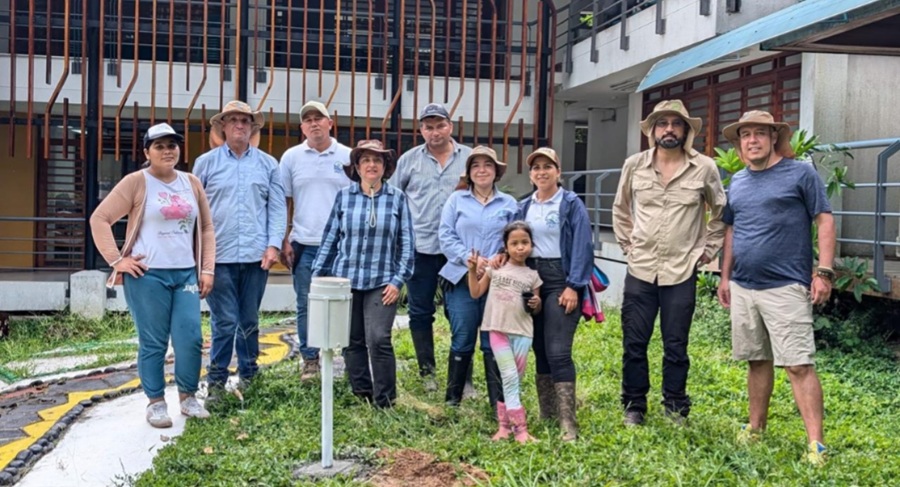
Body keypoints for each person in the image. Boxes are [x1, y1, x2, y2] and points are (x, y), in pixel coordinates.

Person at [716, 110, 835, 466]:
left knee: (798, 364)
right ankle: (756, 426)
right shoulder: (736, 181)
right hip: (744, 285)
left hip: (785, 285)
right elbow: (732, 231)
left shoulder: (801, 173)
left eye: (760, 134)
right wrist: (725, 277)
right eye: (745, 135)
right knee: (756, 360)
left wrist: (824, 271)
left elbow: (824, 219)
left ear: (773, 138)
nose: (752, 140)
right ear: (739, 145)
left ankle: (816, 444)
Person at [90, 123, 215, 427]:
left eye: (172, 145)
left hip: (185, 273)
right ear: (147, 152)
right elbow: (100, 218)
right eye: (159, 146)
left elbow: (208, 227)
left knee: (190, 337)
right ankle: (156, 402)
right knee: (154, 342)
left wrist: (207, 268)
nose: (167, 151)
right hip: (148, 276)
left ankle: (187, 397)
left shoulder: (191, 183)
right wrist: (117, 260)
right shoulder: (137, 182)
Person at [612, 99, 727, 426]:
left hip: (681, 270)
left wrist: (707, 250)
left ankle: (675, 406)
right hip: (641, 268)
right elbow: (620, 209)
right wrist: (627, 246)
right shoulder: (634, 165)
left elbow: (720, 213)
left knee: (676, 344)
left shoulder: (704, 167)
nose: (669, 129)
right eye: (662, 124)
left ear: (686, 130)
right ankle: (634, 405)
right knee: (635, 341)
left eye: (676, 124)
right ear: (652, 130)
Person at [193, 101, 287, 405]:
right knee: (225, 320)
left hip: (255, 256)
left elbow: (276, 208)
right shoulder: (205, 164)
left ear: (252, 128)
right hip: (217, 257)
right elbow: (195, 212)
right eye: (232, 120)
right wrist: (199, 256)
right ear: (223, 127)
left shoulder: (268, 165)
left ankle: (249, 375)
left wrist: (273, 245)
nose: (239, 126)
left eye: (245, 121)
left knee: (249, 319)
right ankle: (216, 380)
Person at [313, 139, 415, 409]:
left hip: (382, 283)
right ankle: (362, 394)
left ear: (385, 166)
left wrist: (398, 280)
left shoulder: (397, 199)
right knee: (351, 340)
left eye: (377, 160)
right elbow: (330, 239)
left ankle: (385, 401)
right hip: (345, 281)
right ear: (356, 167)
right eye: (366, 160)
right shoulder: (344, 197)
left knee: (379, 338)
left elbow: (407, 245)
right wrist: (317, 275)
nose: (372, 165)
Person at [389, 103, 473, 391]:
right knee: (420, 311)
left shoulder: (470, 159)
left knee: (461, 313)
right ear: (421, 130)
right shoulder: (409, 160)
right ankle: (428, 374)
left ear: (450, 126)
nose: (434, 131)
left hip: (459, 253)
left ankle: (464, 376)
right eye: (428, 126)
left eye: (439, 125)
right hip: (420, 249)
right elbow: (394, 201)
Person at [516, 147, 593, 441]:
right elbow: (514, 241)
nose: (541, 172)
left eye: (547, 166)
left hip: (561, 279)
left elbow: (583, 246)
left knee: (558, 350)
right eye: (536, 167)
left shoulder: (571, 204)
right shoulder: (524, 207)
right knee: (539, 348)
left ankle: (568, 422)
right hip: (531, 279)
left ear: (558, 172)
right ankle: (547, 412)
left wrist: (575, 285)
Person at [439, 146, 517, 408]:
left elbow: (518, 239)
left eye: (487, 165)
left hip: (498, 281)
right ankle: (452, 400)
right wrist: (470, 260)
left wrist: (501, 256)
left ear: (496, 172)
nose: (481, 170)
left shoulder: (509, 204)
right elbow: (446, 235)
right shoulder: (456, 201)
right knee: (462, 337)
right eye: (475, 166)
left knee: (492, 340)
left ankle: (499, 403)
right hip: (462, 277)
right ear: (469, 173)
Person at [279, 100, 352, 381]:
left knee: (346, 301)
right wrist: (284, 238)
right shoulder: (291, 157)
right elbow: (284, 201)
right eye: (307, 119)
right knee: (306, 304)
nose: (313, 123)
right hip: (304, 243)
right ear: (302, 127)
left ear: (330, 123)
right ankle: (310, 360)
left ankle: (348, 358)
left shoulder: (347, 156)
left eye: (318, 118)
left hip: (342, 245)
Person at [468, 221, 542, 443]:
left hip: (522, 332)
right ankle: (520, 429)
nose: (520, 248)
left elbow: (537, 308)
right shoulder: (495, 269)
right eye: (514, 243)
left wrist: (536, 302)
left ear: (531, 245)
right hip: (497, 329)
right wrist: (472, 271)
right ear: (506, 247)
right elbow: (475, 292)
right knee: (509, 375)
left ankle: (504, 427)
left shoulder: (533, 275)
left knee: (513, 380)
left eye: (525, 243)